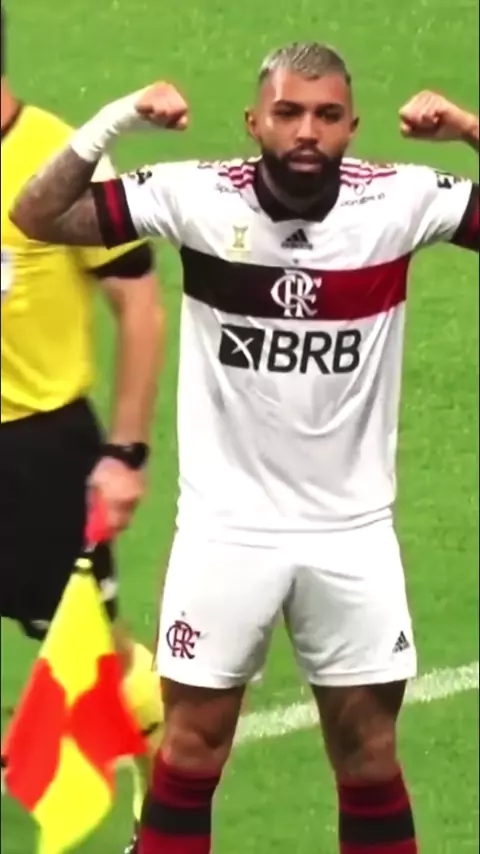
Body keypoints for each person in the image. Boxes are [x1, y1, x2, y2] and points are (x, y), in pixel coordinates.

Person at [8, 39, 479, 854]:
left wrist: (469, 128)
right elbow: (35, 215)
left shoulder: (398, 201)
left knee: (370, 755)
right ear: (255, 121)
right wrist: (116, 119)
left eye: (327, 115)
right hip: (225, 532)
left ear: (352, 126)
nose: (307, 131)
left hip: (352, 534)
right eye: (288, 112)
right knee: (191, 748)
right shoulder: (197, 195)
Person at [0, 6, 163, 853]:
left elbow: (139, 307)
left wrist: (126, 452)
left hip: (38, 455)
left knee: (99, 657)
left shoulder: (59, 157)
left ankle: (164, 817)